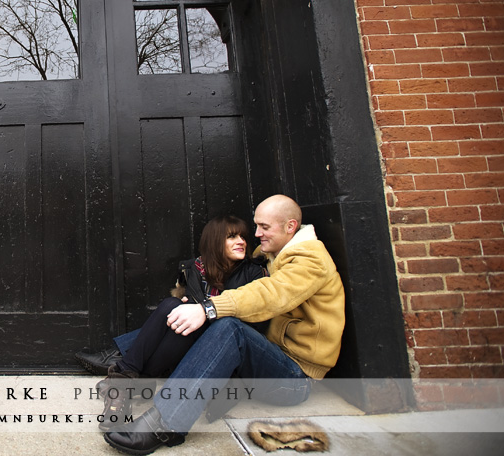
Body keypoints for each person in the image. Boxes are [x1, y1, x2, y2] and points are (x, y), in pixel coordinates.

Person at [102, 195, 346, 455]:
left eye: (264, 227)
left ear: (290, 226)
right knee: (177, 308)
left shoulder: (310, 260)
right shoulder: (273, 252)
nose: (256, 234)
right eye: (256, 226)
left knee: (229, 327)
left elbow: (269, 294)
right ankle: (127, 366)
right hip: (263, 355)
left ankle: (166, 421)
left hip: (295, 377)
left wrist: (207, 308)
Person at [82, 215, 268, 429]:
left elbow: (256, 321)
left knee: (188, 318)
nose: (242, 241)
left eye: (243, 237)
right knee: (172, 305)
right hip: (186, 344)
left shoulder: (255, 272)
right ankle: (126, 383)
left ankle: (122, 380)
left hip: (221, 351)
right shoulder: (195, 270)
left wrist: (208, 309)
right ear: (215, 241)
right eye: (232, 236)